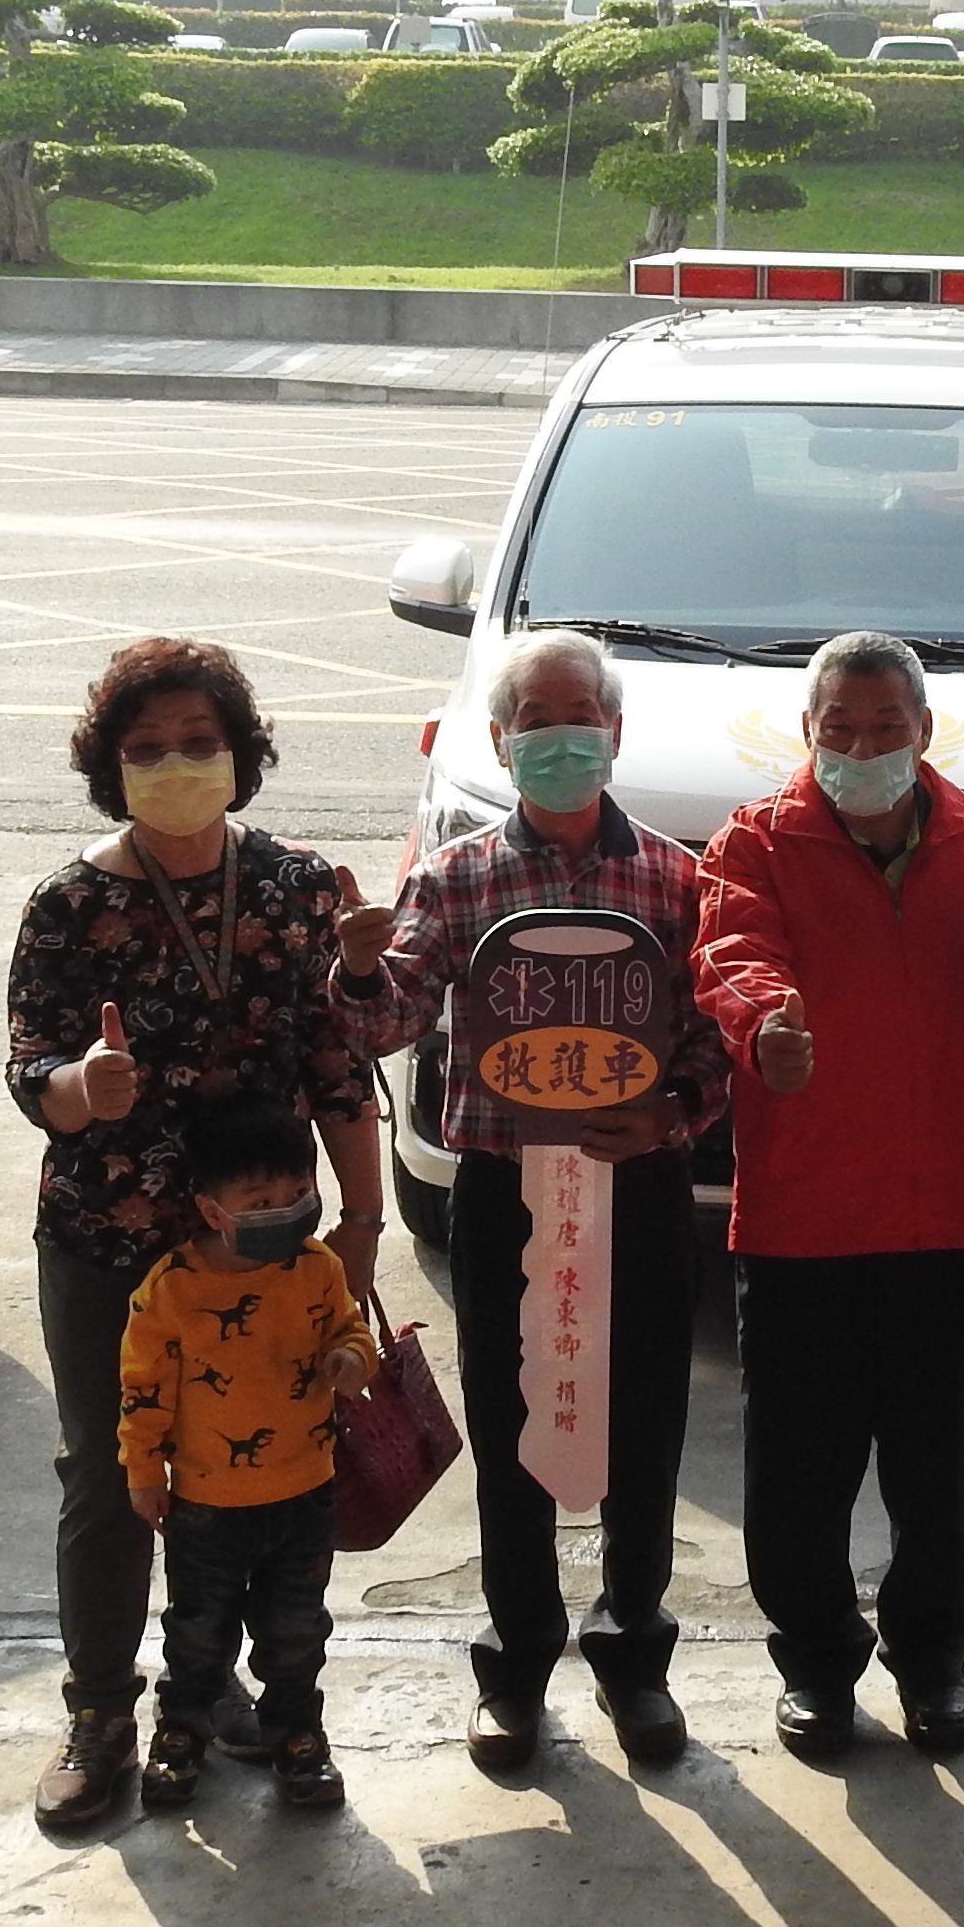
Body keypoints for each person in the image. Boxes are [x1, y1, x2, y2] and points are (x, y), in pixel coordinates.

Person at [335, 627, 725, 1775]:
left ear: (615, 734)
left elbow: (712, 1038)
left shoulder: (675, 879)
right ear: (501, 744)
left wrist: (670, 1114)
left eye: (579, 720)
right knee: (513, 1433)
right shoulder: (456, 877)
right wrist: (356, 967)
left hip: (636, 1186)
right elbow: (389, 1022)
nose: (560, 742)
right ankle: (514, 1668)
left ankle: (635, 1656)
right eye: (534, 724)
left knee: (644, 1426)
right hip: (508, 1192)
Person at [8, 638, 380, 1840]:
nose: (176, 764)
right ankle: (99, 1716)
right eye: (148, 748)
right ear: (110, 768)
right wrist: (82, 1088)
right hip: (110, 1242)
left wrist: (363, 1221)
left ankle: (210, 1687)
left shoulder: (295, 887)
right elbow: (30, 1068)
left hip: (259, 1250)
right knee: (112, 1478)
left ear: (241, 756)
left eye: (199, 743)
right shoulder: (69, 906)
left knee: (254, 1478)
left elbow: (338, 1067)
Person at [693, 629, 964, 1761]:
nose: (861, 748)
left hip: (943, 1218)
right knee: (798, 1471)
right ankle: (816, 1665)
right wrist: (764, 1024)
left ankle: (934, 1664)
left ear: (924, 731)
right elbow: (729, 952)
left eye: (885, 728)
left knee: (933, 1470)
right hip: (801, 1220)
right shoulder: (757, 841)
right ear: (807, 733)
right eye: (839, 730)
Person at [120, 1099, 379, 1815]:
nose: (285, 1210)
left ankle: (297, 1734)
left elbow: (351, 1329)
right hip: (205, 1507)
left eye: (297, 1193)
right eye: (261, 1202)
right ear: (211, 1210)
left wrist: (352, 1360)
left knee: (296, 1631)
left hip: (305, 1493)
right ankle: (181, 1731)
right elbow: (143, 1392)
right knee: (198, 1633)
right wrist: (143, 1472)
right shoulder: (171, 1291)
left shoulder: (318, 1267)